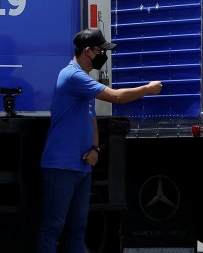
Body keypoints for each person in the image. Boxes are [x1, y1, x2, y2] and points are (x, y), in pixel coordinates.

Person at [38, 29, 163, 253]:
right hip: (61, 166)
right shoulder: (73, 75)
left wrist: (95, 148)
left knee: (78, 228)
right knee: (53, 228)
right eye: (100, 51)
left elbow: (92, 119)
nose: (103, 56)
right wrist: (148, 89)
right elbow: (116, 96)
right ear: (88, 51)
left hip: (80, 166)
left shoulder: (83, 79)